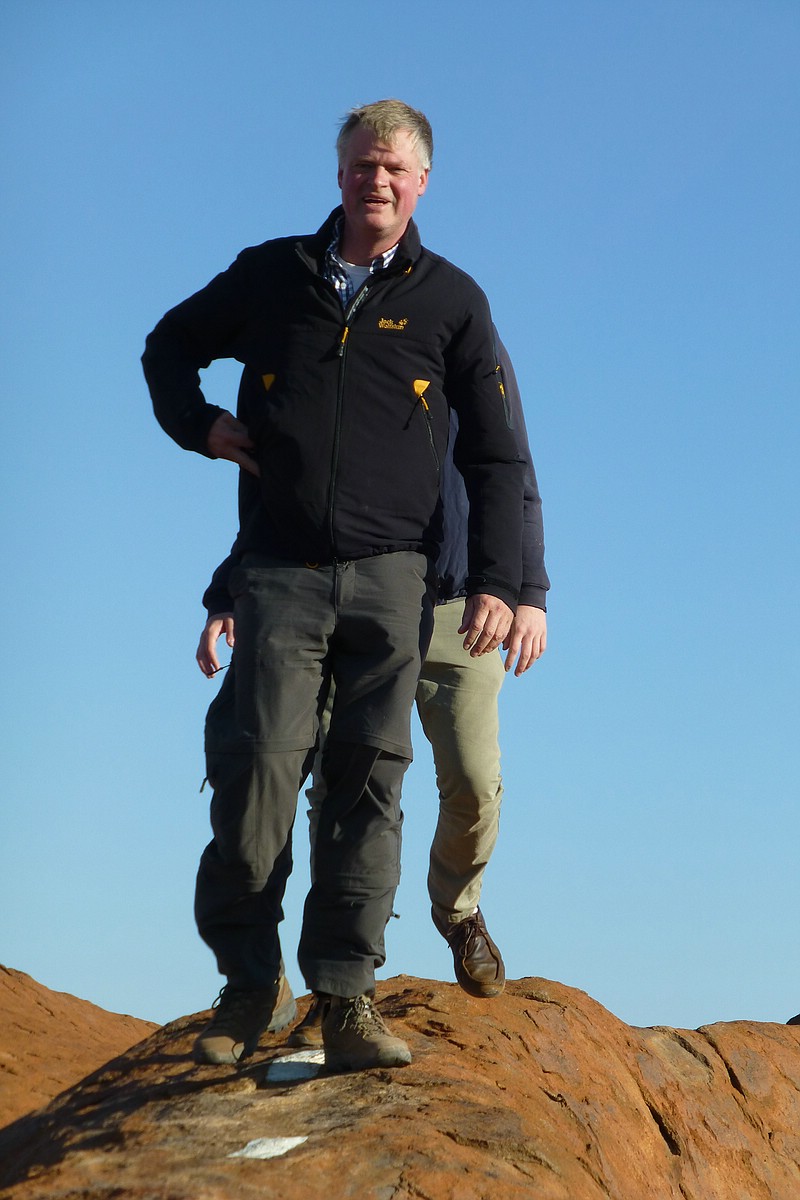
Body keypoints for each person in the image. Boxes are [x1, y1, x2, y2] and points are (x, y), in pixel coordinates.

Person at [141, 99, 525, 1073]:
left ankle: (347, 996)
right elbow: (168, 344)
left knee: (367, 783)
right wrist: (198, 425)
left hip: (396, 581)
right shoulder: (273, 275)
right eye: (362, 164)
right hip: (280, 570)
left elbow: (496, 455)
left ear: (422, 181)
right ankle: (246, 988)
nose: (377, 181)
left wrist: (505, 581)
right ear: (340, 172)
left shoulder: (451, 301)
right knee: (257, 773)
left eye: (395, 168)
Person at [197, 336, 549, 1047]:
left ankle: (457, 910)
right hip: (349, 602)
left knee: (475, 783)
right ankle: (336, 986)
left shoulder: (464, 335)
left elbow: (513, 470)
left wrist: (528, 592)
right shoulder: (316, 338)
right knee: (340, 788)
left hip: (461, 607)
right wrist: (231, 592)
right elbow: (275, 485)